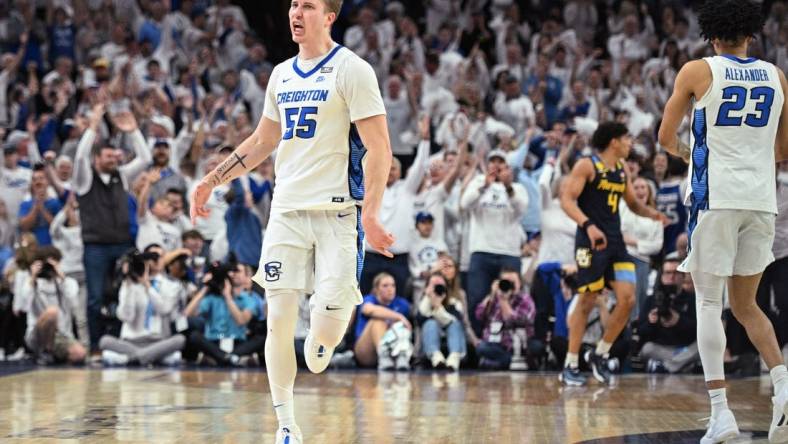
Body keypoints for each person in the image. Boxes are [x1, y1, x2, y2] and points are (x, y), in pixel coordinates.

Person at [189, 1, 393, 442]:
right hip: (286, 210)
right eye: (293, 4)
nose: (296, 12)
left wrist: (372, 213)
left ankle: (323, 337)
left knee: (327, 326)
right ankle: (286, 425)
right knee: (278, 315)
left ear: (330, 16)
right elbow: (264, 139)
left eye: (308, 5)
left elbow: (380, 148)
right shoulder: (281, 74)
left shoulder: (352, 69)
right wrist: (213, 179)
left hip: (339, 211)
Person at [657, 1, 788, 441]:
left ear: (711, 35)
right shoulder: (777, 75)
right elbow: (782, 150)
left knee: (710, 303)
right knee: (748, 305)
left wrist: (687, 155)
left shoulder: (697, 71)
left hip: (716, 197)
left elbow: (664, 136)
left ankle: (720, 415)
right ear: (752, 34)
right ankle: (784, 389)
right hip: (761, 200)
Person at [559, 121, 666, 386]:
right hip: (590, 241)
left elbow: (632, 204)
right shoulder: (587, 165)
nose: (631, 144)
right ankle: (570, 363)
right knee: (587, 301)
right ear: (614, 141)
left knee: (627, 300)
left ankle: (600, 353)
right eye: (627, 139)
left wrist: (652, 214)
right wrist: (588, 226)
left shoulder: (620, 170)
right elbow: (566, 201)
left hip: (615, 242)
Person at [474, 267, 535, 370]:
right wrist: (492, 294)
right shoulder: (495, 296)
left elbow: (513, 321)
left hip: (514, 347)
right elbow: (479, 315)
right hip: (493, 344)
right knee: (481, 347)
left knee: (485, 351)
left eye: (513, 282)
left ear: (519, 283)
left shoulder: (525, 299)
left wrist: (504, 301)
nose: (509, 285)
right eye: (506, 282)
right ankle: (500, 362)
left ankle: (501, 362)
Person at [353, 272, 412, 370]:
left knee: (401, 326)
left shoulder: (402, 304)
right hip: (366, 352)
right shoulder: (369, 299)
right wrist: (398, 316)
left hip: (393, 349)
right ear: (376, 289)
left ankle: (402, 356)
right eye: (385, 286)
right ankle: (384, 355)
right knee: (378, 321)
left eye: (393, 285)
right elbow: (368, 309)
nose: (390, 289)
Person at [416, 272, 466, 371]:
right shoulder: (424, 304)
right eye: (434, 285)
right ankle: (436, 357)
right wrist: (428, 297)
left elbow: (454, 321)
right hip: (429, 348)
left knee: (455, 324)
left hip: (454, 345)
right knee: (430, 323)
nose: (437, 288)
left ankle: (454, 358)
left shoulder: (454, 302)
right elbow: (420, 319)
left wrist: (438, 307)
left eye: (440, 285)